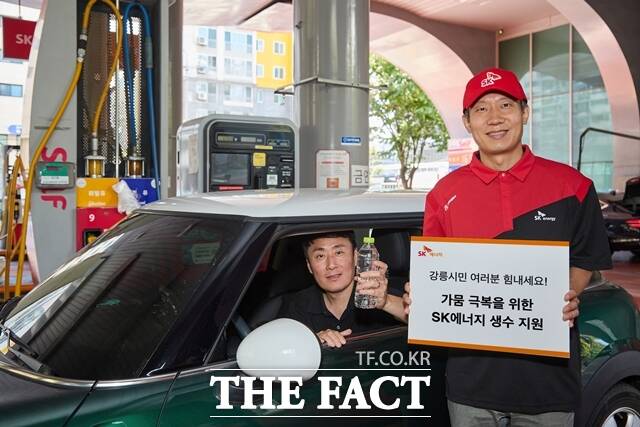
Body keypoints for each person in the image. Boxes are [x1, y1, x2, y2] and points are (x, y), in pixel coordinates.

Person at [402, 67, 612, 426]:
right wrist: (421, 294)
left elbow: (584, 257)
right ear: (467, 122)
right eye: (481, 109)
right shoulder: (443, 195)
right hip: (470, 384)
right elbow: (435, 267)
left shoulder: (573, 186)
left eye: (505, 105)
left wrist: (562, 295)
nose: (494, 118)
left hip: (548, 383)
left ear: (524, 112)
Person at [278, 231, 406, 348]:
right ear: (309, 266)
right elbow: (278, 346)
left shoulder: (378, 293)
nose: (331, 265)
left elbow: (417, 321)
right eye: (320, 256)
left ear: (356, 257)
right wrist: (310, 341)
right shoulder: (297, 305)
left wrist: (386, 302)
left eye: (338, 253)